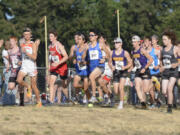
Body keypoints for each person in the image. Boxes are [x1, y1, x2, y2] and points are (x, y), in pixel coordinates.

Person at [82, 29, 110, 103]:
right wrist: (84, 50)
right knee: (102, 84)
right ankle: (110, 96)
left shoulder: (100, 45)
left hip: (100, 66)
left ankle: (93, 96)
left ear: (96, 36)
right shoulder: (88, 46)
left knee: (91, 77)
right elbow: (84, 57)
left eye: (92, 35)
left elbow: (108, 54)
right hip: (92, 68)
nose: (90, 37)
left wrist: (104, 59)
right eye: (89, 35)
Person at [16, 27, 42, 107]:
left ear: (30, 35)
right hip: (24, 66)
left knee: (34, 86)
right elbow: (23, 56)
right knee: (19, 80)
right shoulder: (22, 45)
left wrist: (26, 52)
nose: (26, 36)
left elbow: (34, 57)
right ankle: (28, 87)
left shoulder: (32, 44)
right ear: (23, 36)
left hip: (32, 67)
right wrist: (20, 61)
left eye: (28, 35)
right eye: (25, 35)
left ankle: (39, 102)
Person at [109, 37, 132, 109]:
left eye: (117, 43)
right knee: (116, 90)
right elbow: (109, 62)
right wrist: (111, 66)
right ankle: (122, 96)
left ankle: (121, 103)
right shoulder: (112, 52)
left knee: (121, 87)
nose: (115, 44)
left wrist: (125, 67)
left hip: (123, 72)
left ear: (121, 44)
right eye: (115, 43)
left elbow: (130, 62)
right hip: (116, 72)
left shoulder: (125, 53)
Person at [131, 35, 153, 109]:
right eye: (132, 42)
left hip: (145, 71)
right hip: (138, 71)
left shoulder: (142, 50)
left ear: (138, 42)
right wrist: (131, 68)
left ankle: (153, 83)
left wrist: (145, 68)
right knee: (137, 87)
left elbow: (151, 60)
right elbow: (134, 62)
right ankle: (142, 102)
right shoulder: (133, 51)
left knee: (145, 90)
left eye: (134, 42)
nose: (133, 43)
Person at [160, 30, 179, 113]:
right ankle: (171, 102)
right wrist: (161, 66)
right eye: (162, 39)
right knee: (164, 91)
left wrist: (177, 63)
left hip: (173, 72)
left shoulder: (175, 48)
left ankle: (169, 108)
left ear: (169, 40)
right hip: (165, 72)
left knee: (169, 88)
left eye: (164, 39)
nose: (163, 41)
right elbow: (160, 59)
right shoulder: (162, 49)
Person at [48, 30, 68, 104]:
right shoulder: (50, 46)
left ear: (55, 37)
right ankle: (51, 100)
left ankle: (68, 98)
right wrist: (50, 67)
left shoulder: (59, 45)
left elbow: (66, 56)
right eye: (49, 36)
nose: (50, 38)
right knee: (51, 82)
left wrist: (58, 63)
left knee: (64, 85)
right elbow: (51, 58)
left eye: (51, 36)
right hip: (55, 67)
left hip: (62, 66)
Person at [73, 33, 90, 104]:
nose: (78, 40)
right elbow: (76, 58)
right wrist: (75, 60)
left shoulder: (87, 48)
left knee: (86, 89)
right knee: (75, 85)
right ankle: (84, 87)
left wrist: (84, 62)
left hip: (85, 71)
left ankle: (90, 100)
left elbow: (89, 60)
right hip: (79, 70)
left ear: (83, 40)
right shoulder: (76, 48)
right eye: (78, 39)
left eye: (79, 39)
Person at [144, 37, 161, 108]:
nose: (145, 44)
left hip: (156, 72)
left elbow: (161, 59)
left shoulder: (156, 51)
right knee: (150, 90)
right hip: (148, 72)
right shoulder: (144, 51)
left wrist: (158, 65)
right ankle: (154, 102)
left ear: (150, 42)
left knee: (153, 89)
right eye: (144, 42)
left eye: (147, 42)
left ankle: (155, 101)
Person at [97, 34, 113, 105]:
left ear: (105, 40)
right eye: (99, 39)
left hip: (108, 69)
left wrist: (104, 58)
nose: (100, 40)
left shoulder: (106, 47)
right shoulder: (97, 47)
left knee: (103, 84)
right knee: (102, 85)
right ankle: (107, 98)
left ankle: (108, 98)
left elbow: (110, 56)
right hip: (101, 69)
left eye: (101, 39)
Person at [7, 36, 23, 105]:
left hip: (20, 70)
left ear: (16, 41)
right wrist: (8, 65)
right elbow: (9, 60)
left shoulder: (20, 50)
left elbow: (23, 60)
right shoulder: (9, 51)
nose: (11, 43)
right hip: (13, 71)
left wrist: (20, 62)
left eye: (12, 41)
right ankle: (16, 84)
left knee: (20, 87)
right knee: (10, 87)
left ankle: (21, 102)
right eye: (10, 41)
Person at [2, 41, 11, 105]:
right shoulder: (4, 52)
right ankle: (5, 101)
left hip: (10, 69)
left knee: (10, 85)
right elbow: (9, 59)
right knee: (7, 85)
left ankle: (10, 100)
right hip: (7, 69)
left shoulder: (9, 51)